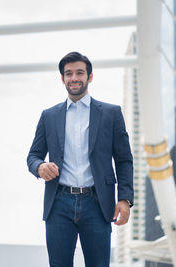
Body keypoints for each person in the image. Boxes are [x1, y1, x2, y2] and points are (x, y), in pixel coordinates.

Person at [27, 51, 134, 267]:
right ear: (62, 79)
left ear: (90, 76)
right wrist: (40, 167)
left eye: (79, 72)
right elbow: (33, 156)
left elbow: (124, 160)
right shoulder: (49, 116)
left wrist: (124, 198)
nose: (74, 78)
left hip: (97, 203)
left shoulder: (111, 114)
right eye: (68, 74)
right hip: (59, 203)